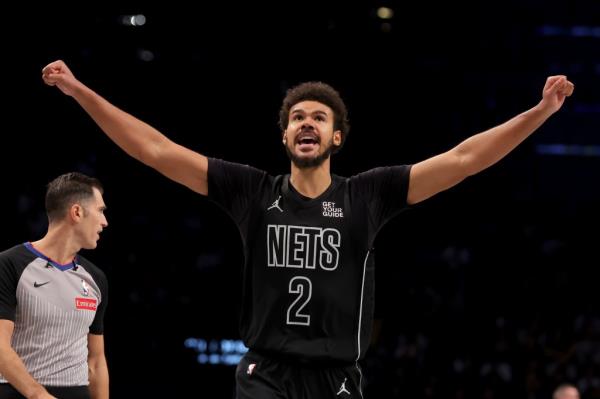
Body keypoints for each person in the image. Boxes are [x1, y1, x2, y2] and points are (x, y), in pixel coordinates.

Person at [41, 59, 573, 399]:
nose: (307, 123)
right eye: (297, 117)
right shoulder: (252, 190)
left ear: (336, 136)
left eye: (318, 117)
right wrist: (81, 91)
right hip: (265, 374)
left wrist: (541, 111)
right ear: (285, 135)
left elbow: (463, 159)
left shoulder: (368, 194)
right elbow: (154, 149)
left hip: (337, 377)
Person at [0, 172, 109, 399]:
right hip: (19, 393)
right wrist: (38, 395)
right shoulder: (9, 264)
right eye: (100, 211)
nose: (104, 222)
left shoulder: (96, 278)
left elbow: (96, 361)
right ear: (77, 212)